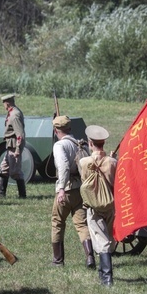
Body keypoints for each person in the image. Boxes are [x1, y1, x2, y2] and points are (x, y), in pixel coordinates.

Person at [50, 115, 95, 268]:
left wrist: (61, 189)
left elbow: (63, 167)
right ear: (69, 128)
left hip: (67, 189)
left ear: (56, 130)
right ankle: (90, 257)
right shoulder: (80, 144)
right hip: (80, 190)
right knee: (82, 225)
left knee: (57, 223)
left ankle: (58, 260)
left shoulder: (59, 145)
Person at [79, 125, 118, 286]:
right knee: (108, 239)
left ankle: (107, 278)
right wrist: (111, 158)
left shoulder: (84, 162)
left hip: (94, 207)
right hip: (110, 205)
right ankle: (102, 272)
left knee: (102, 241)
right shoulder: (113, 162)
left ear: (90, 143)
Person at [0, 94, 26, 198]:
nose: (4, 106)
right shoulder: (12, 113)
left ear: (7, 103)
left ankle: (22, 195)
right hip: (10, 146)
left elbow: (20, 135)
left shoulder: (15, 115)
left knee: (15, 172)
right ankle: (1, 193)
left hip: (14, 146)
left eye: (4, 104)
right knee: (4, 168)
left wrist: (18, 150)